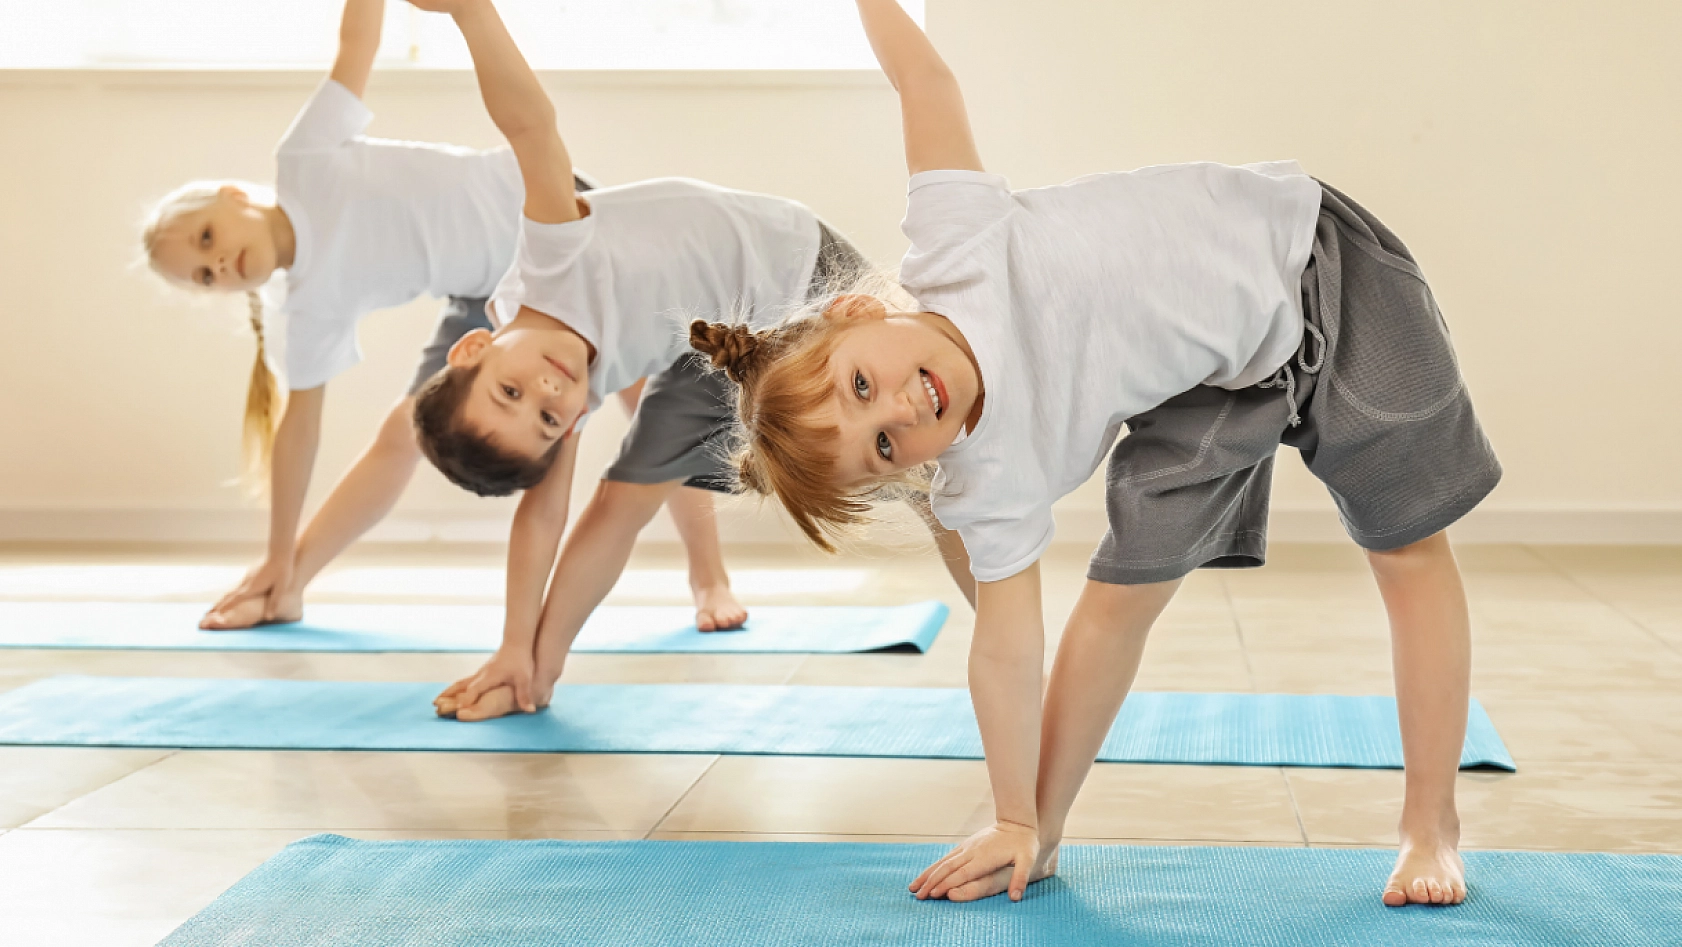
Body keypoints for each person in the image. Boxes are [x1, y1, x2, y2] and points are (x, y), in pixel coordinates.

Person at [690, 0, 1501, 908]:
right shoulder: (984, 480)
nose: (900, 414)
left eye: (861, 385)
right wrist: (1011, 814)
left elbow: (924, 80)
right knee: (1118, 595)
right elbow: (1004, 651)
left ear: (855, 315)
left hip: (1314, 263)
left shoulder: (958, 242)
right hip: (1214, 386)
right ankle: (1045, 823)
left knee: (1405, 547)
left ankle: (1430, 825)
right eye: (882, 447)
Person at [406, 0, 972, 722]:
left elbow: (531, 127)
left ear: (475, 347)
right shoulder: (568, 386)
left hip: (796, 279)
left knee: (931, 479)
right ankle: (538, 678)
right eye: (548, 417)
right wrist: (517, 649)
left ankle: (1008, 628)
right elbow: (544, 516)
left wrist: (470, 15)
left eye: (511, 388)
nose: (548, 391)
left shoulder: (552, 261)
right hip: (708, 344)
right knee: (620, 502)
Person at [140, 0, 747, 634]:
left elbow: (356, 45)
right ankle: (290, 584)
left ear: (235, 196)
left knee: (643, 400)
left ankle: (709, 576)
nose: (220, 264)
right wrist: (275, 556)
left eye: (208, 238)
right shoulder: (305, 306)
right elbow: (300, 432)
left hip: (551, 223)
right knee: (402, 433)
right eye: (205, 276)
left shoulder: (303, 160)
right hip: (484, 295)